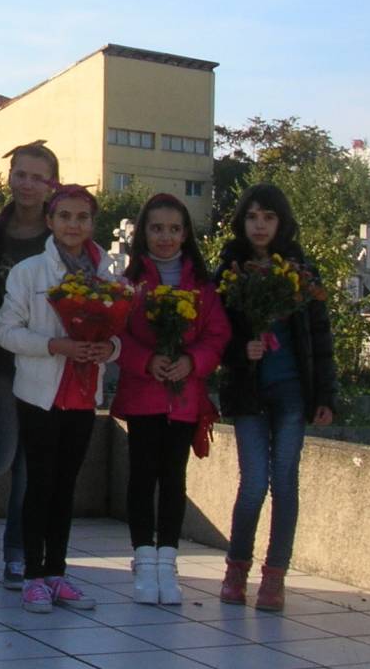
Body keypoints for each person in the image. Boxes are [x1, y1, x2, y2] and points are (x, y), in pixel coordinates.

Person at [0, 183, 117, 614]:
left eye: (82, 217)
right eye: (64, 216)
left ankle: (56, 573)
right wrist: (54, 345)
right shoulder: (28, 272)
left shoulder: (107, 273)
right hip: (40, 393)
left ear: (93, 223)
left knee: (66, 486)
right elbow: (5, 331)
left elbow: (119, 334)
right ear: (50, 221)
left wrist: (109, 349)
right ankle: (32, 576)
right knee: (40, 483)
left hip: (83, 393)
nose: (73, 225)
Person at [216, 182, 336, 612]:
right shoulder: (230, 269)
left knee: (285, 481)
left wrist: (326, 396)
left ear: (281, 222)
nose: (260, 225)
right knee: (253, 483)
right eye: (252, 217)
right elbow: (215, 333)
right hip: (248, 391)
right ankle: (236, 569)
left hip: (292, 390)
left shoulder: (301, 272)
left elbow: (320, 338)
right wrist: (240, 350)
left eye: (268, 217)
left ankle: (275, 576)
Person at [111, 193, 231, 605]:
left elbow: (217, 335)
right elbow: (117, 334)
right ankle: (144, 560)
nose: (165, 237)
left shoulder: (202, 285)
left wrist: (191, 361)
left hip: (184, 397)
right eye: (157, 228)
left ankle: (167, 560)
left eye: (174, 229)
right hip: (143, 393)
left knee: (174, 477)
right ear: (144, 232)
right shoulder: (131, 283)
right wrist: (147, 360)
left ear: (186, 234)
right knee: (143, 475)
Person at [0, 141, 59, 590]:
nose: (27, 184)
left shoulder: (60, 239)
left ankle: (17, 555)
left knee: (30, 465)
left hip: (44, 363)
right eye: (20, 174)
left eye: (37, 177)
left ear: (51, 185)